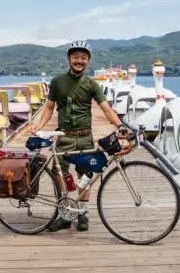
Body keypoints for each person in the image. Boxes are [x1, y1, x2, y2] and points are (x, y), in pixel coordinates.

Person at [29, 40, 128, 232]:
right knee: (60, 175)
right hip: (63, 137)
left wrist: (120, 125)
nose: (79, 60)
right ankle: (65, 213)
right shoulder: (58, 82)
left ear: (88, 61)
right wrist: (38, 125)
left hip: (84, 137)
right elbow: (49, 108)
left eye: (83, 57)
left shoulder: (91, 84)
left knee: (86, 175)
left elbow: (105, 108)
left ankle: (82, 213)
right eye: (75, 57)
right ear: (69, 59)